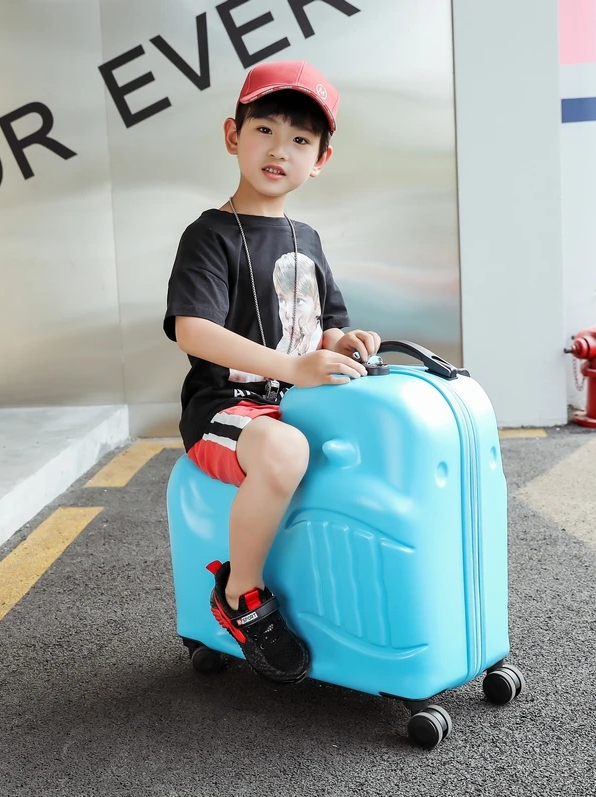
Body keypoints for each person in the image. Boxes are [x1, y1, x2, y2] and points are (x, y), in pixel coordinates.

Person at [163, 61, 381, 685]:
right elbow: (191, 329)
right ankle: (240, 595)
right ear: (233, 135)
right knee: (285, 450)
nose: (279, 149)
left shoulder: (306, 237)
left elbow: (327, 325)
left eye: (301, 139)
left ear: (321, 160)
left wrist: (348, 340)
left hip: (296, 401)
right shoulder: (209, 235)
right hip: (224, 409)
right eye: (265, 129)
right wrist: (292, 367)